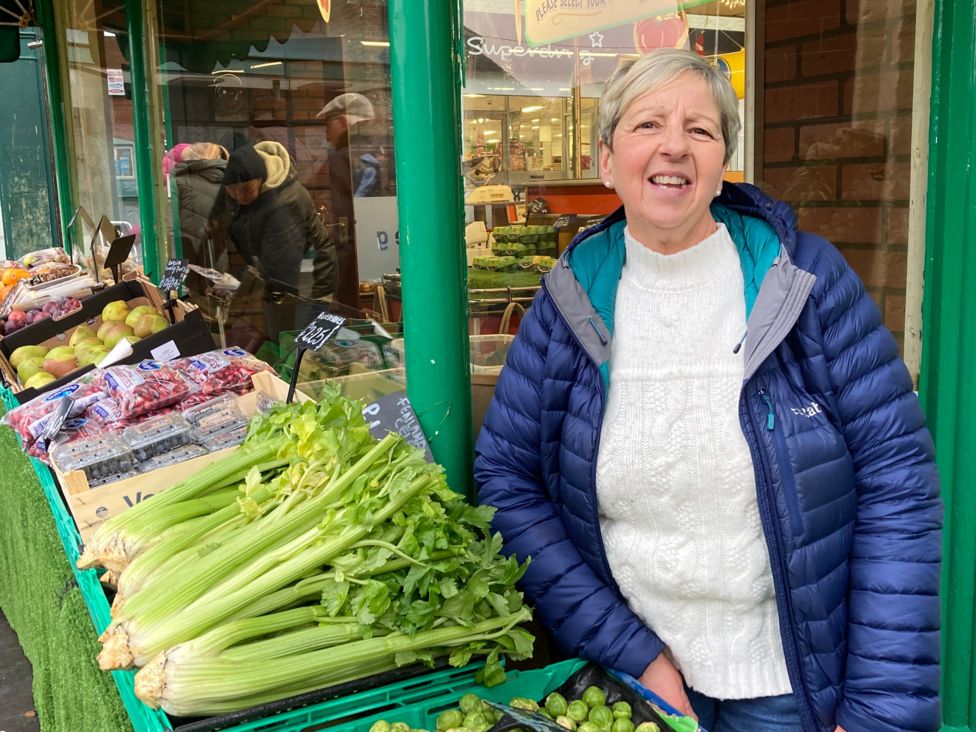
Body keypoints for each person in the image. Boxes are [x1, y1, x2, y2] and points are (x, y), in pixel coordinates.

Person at [474, 49, 941, 732]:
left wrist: (880, 712)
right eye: (647, 125)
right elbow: (506, 479)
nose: (673, 146)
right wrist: (628, 649)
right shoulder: (566, 301)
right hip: (630, 686)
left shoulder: (804, 282)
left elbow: (897, 482)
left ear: (724, 160)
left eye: (700, 129)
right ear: (607, 159)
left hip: (789, 685)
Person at [216, 141, 337, 342]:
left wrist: (242, 292)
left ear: (260, 179)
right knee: (282, 343)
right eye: (233, 190)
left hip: (310, 280)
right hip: (282, 282)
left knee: (301, 350)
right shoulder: (251, 197)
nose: (239, 196)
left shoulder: (283, 204)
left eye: (245, 188)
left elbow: (283, 261)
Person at [317, 92, 376, 308]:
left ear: (342, 121)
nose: (326, 136)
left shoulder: (343, 156)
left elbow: (345, 219)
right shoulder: (374, 152)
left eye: (328, 127)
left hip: (354, 251)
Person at [169, 142, 229, 317]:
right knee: (219, 317)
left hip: (188, 265)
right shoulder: (228, 183)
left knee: (189, 317)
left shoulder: (178, 183)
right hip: (220, 262)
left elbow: (170, 230)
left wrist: (170, 283)